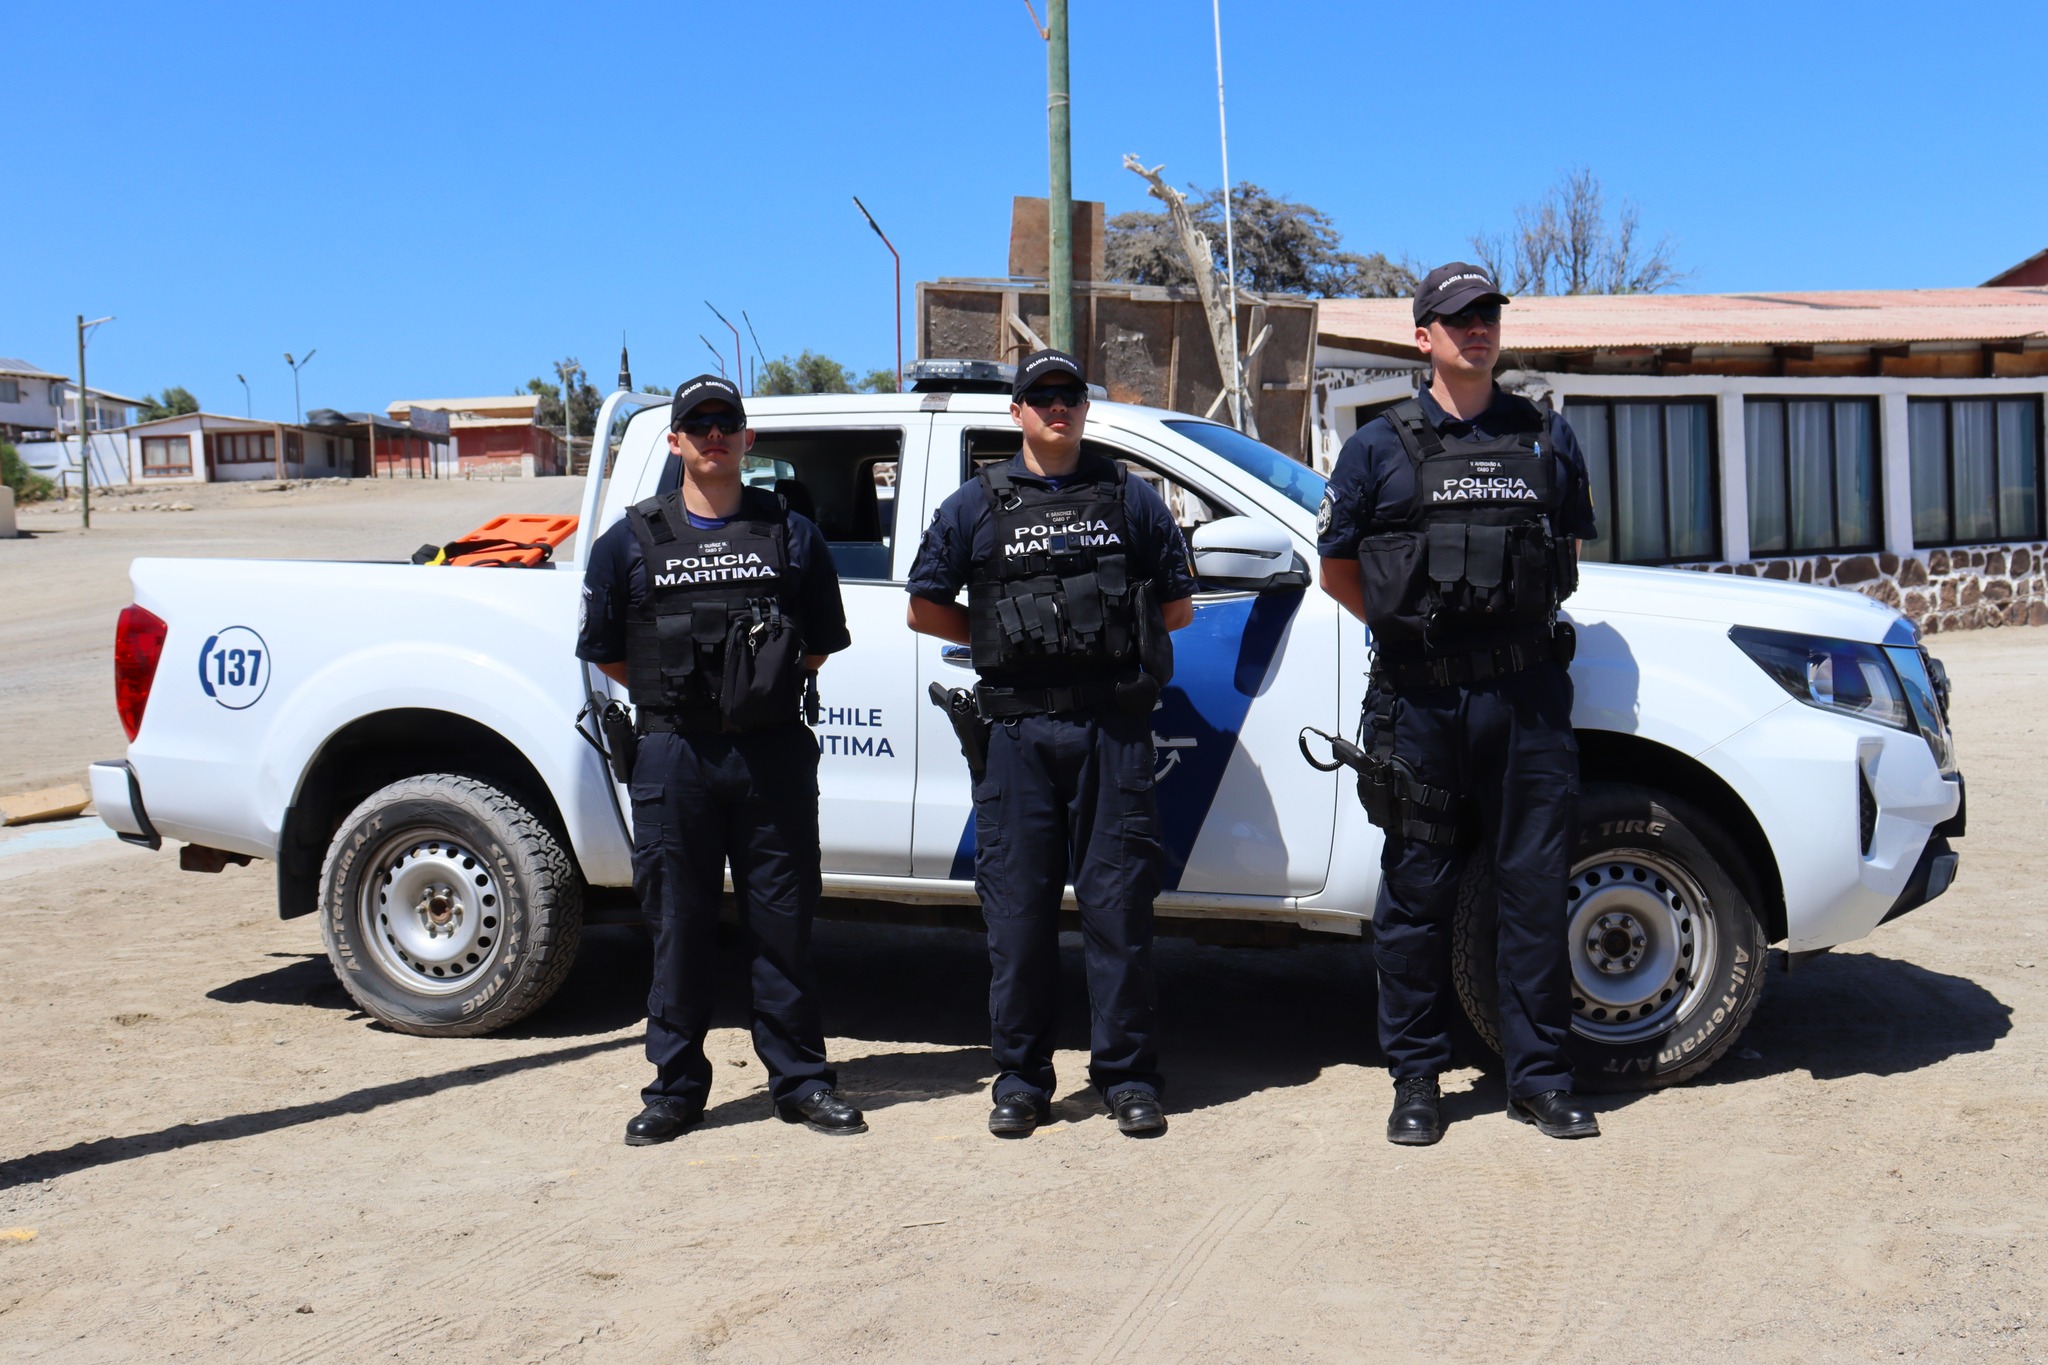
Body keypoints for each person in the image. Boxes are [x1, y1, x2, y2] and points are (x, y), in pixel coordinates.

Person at [1316, 264, 1601, 1145]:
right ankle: (1416, 1078)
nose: (1478, 328)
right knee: (1417, 892)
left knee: (1533, 888)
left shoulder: (1545, 435)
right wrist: (1412, 634)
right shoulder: (1376, 446)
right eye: (1458, 317)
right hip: (1422, 702)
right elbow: (1337, 569)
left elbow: (1568, 554)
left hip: (1527, 700)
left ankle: (1540, 1078)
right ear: (1423, 336)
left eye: (1487, 315)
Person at [906, 349, 1195, 1138]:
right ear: (1017, 412)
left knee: (1118, 911)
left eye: (1069, 394)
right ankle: (1021, 1080)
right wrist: (996, 636)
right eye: (1041, 396)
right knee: (1018, 917)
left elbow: (1176, 606)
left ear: (1084, 408)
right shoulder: (975, 503)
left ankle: (1127, 1078)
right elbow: (924, 606)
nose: (1057, 407)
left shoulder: (1130, 497)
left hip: (1111, 728)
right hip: (1017, 733)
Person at [577, 374, 866, 1145]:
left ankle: (800, 1081)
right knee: (678, 927)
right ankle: (675, 1088)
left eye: (725, 422)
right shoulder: (626, 542)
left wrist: (751, 689)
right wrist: (686, 696)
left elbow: (817, 646)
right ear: (675, 440)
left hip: (770, 752)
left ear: (747, 438)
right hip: (674, 753)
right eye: (697, 424)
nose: (713, 435)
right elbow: (607, 652)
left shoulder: (792, 534)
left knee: (783, 924)